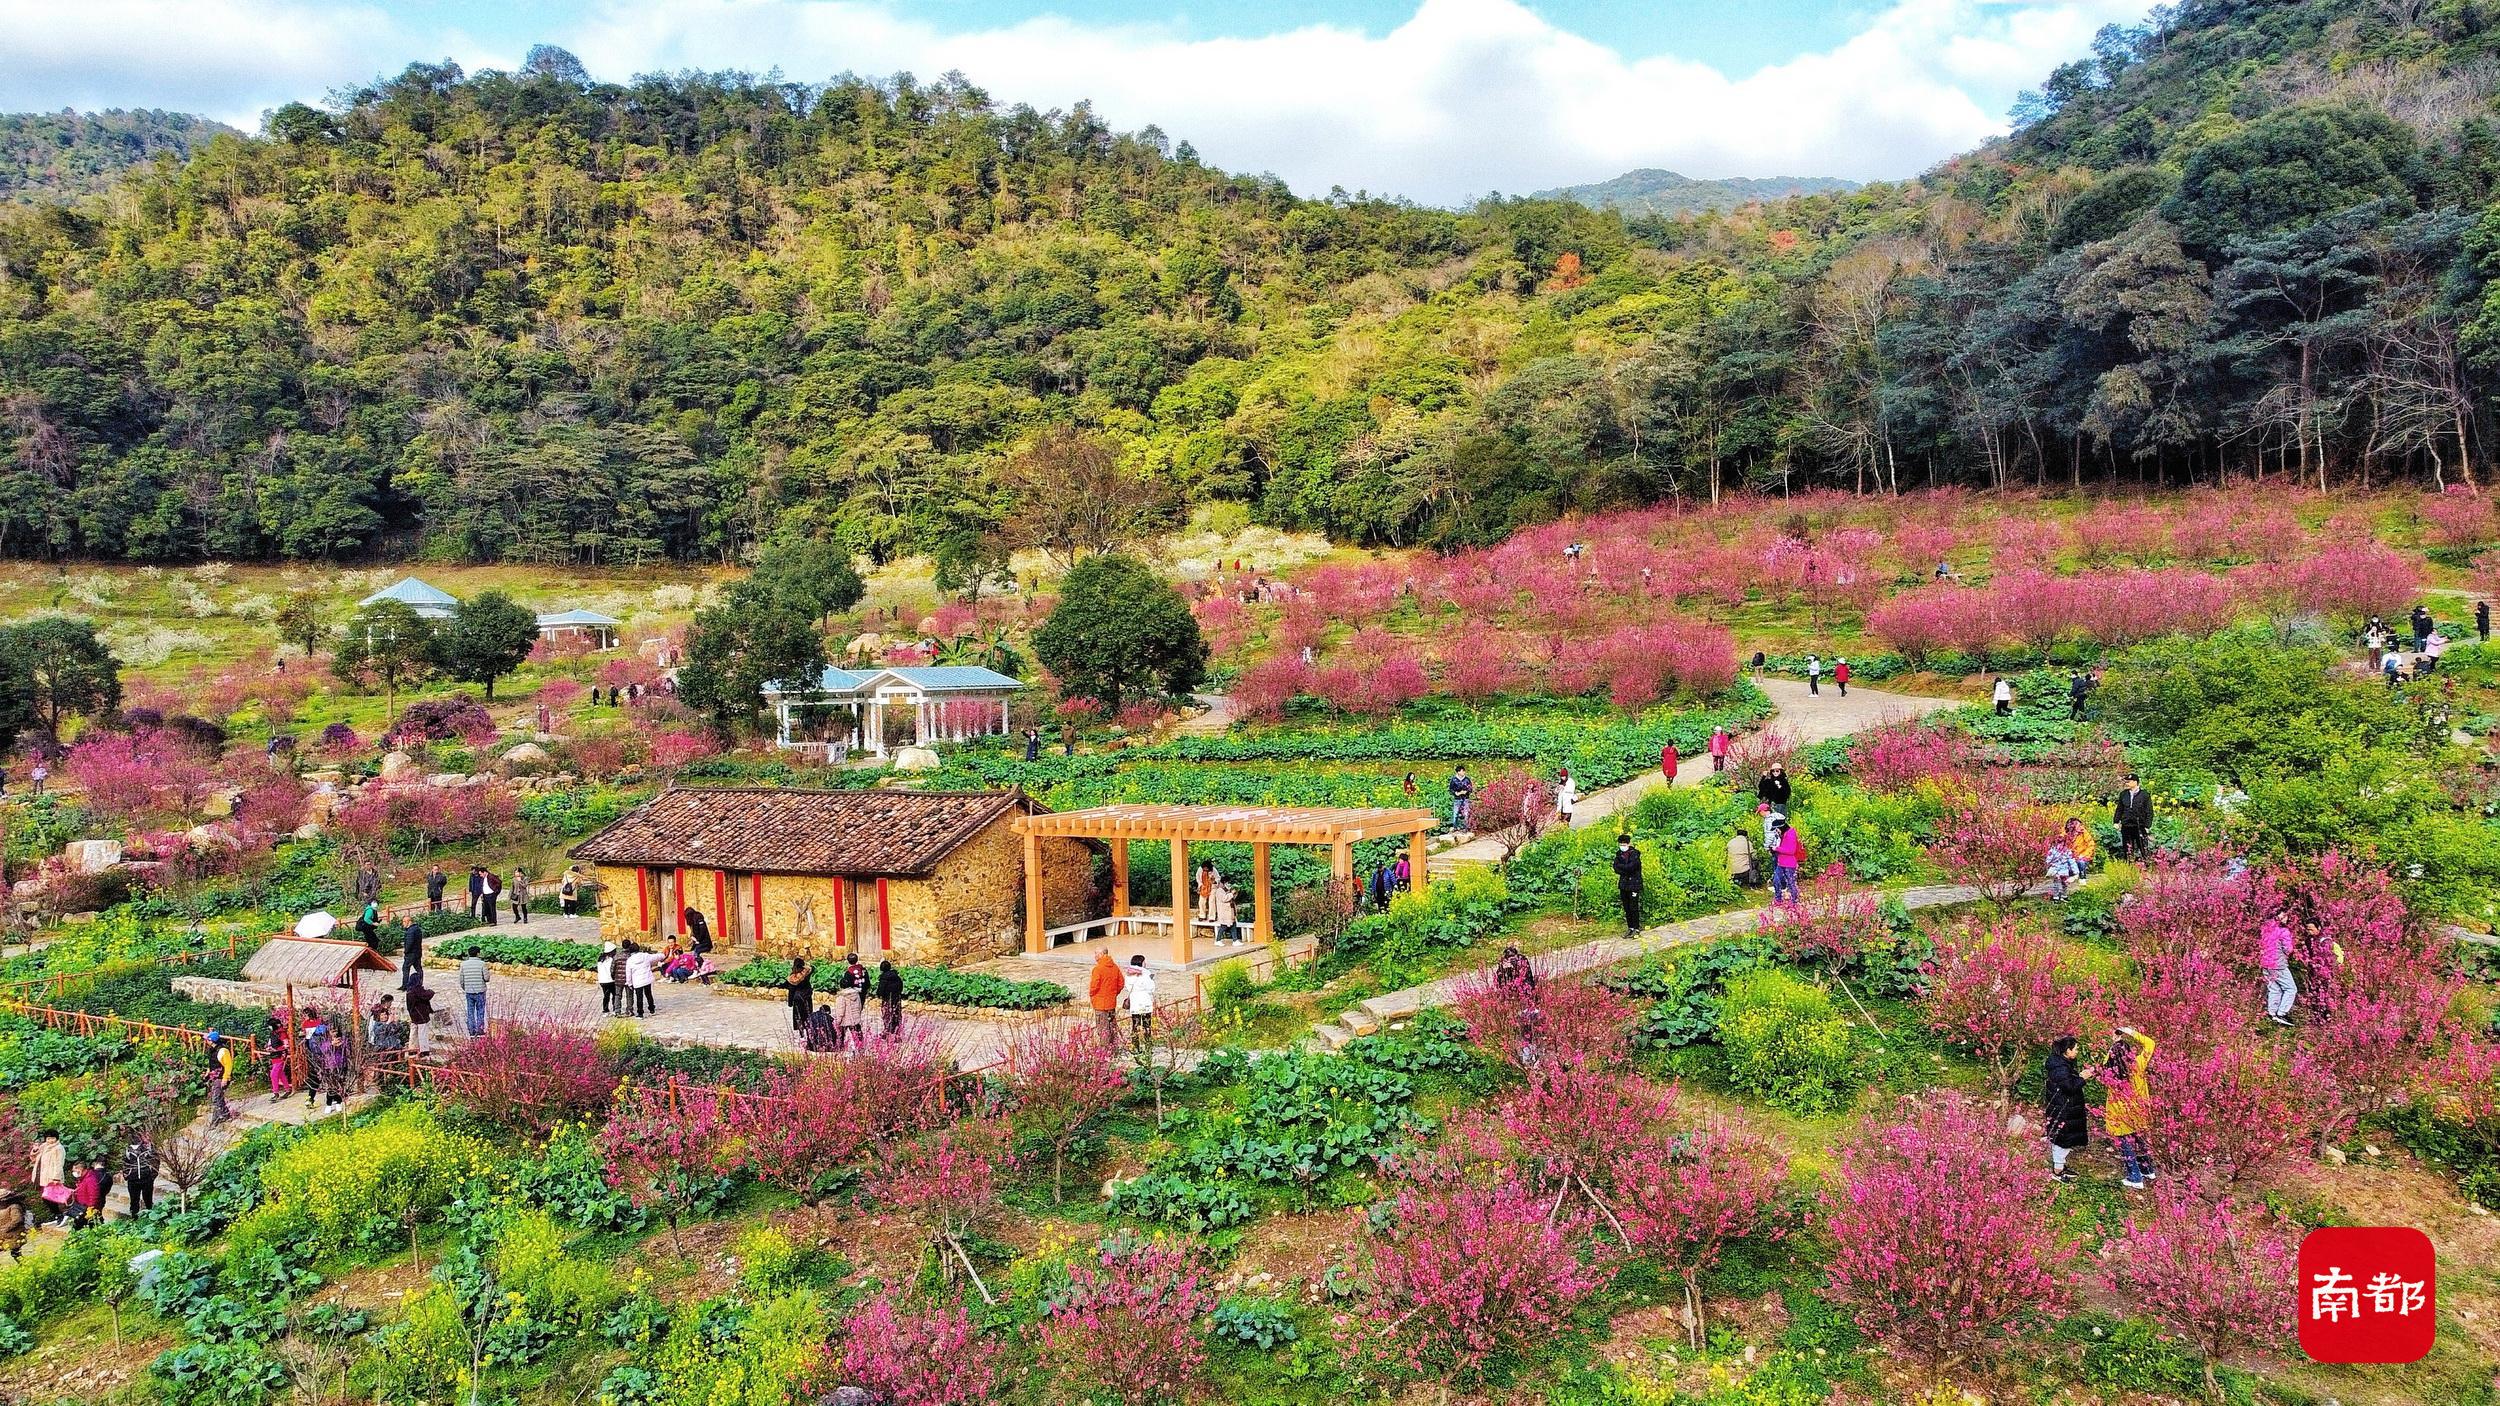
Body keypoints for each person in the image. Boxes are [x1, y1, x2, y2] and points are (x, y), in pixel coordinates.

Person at [2103, 1027, 2159, 1190]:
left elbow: (2105, 1062)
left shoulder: (2110, 1073)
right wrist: (2131, 1032)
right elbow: (2150, 1044)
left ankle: (2135, 1177)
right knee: (2141, 1141)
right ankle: (2148, 1170)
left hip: (2119, 1114)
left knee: (2126, 1144)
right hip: (2139, 1111)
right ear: (2130, 1054)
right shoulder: (2138, 1065)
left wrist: (2114, 1045)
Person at [2042, 1036, 2090, 1183]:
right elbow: (2069, 1087)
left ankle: (2060, 1166)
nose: (2077, 1051)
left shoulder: (2063, 1063)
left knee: (2065, 1139)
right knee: (2061, 1139)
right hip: (2063, 1109)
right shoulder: (2060, 1067)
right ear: (2067, 1050)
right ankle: (2057, 1171)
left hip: (2065, 1107)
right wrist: (2082, 1078)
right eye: (2075, 1049)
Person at [2259, 909, 2299, 1026]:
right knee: (2291, 989)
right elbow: (2288, 949)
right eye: (2284, 916)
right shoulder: (2283, 931)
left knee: (2274, 989)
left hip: (2266, 964)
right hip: (2278, 964)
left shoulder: (2265, 929)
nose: (2286, 918)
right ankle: (2282, 1013)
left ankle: (2272, 1014)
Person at [1088, 949, 1124, 1050]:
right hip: (1111, 1002)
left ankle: (1105, 1052)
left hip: (1100, 1003)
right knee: (1112, 1026)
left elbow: (1094, 986)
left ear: (1101, 954)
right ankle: (1114, 1048)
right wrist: (1113, 993)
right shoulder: (1115, 967)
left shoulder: (1098, 969)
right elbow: (1121, 983)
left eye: (1096, 953)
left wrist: (1092, 995)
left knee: (1103, 1028)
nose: (1094, 955)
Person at [2114, 775, 2153, 862]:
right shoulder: (2123, 794)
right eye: (2127, 781)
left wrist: (2147, 826)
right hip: (2126, 824)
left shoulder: (2145, 795)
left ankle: (2146, 864)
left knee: (2142, 846)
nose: (2127, 783)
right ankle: (2128, 865)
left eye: (2129, 781)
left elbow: (2149, 811)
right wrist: (2116, 821)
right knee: (2127, 847)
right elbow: (2119, 808)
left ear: (2135, 782)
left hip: (2139, 825)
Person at [30, 1133, 65, 1229]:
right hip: (41, 1176)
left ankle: (61, 1215)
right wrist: (35, 1150)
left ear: (57, 1138)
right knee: (46, 1197)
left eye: (52, 1138)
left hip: (51, 1178)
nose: (50, 1140)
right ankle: (56, 1215)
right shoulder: (44, 1146)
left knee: (50, 1197)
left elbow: (59, 1164)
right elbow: (33, 1159)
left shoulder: (58, 1148)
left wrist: (56, 1177)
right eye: (48, 1138)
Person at [1122, 955, 1156, 1051]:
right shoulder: (1145, 973)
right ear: (1141, 962)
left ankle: (1136, 1046)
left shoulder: (1128, 974)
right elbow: (1151, 988)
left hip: (1135, 1001)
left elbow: (1128, 987)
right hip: (1145, 1001)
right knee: (1147, 1024)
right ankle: (1148, 1046)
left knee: (1135, 1025)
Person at [1612, 834, 1644, 935]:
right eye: (1621, 844)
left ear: (1629, 843)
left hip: (1634, 884)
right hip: (1623, 885)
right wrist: (1624, 868)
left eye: (1624, 844)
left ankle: (1636, 928)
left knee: (1633, 907)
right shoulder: (1619, 854)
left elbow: (1632, 867)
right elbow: (1616, 867)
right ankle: (1630, 927)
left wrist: (1623, 868)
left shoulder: (1635, 854)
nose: (1622, 846)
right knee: (1626, 907)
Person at [122, 1130, 158, 1216]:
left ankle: (150, 1216)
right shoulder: (127, 1151)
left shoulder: (146, 1150)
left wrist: (152, 1174)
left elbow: (154, 1161)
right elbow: (124, 1164)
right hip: (133, 1179)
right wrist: (127, 1175)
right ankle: (134, 1216)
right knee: (134, 1200)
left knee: (147, 1199)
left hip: (146, 1178)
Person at [1770, 817, 1804, 904]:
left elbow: (1791, 850)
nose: (1776, 831)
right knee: (1776, 880)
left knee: (1790, 882)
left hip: (1789, 863)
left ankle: (1794, 901)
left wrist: (1777, 848)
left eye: (1776, 829)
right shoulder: (1783, 835)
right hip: (1781, 862)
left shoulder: (1791, 834)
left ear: (1781, 827)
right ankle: (1778, 899)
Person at [204, 1030, 234, 1126]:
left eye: (207, 1039)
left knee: (216, 1098)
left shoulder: (223, 1050)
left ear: (211, 1040)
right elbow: (213, 1063)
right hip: (215, 1077)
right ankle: (225, 1115)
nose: (206, 1041)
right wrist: (208, 1072)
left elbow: (228, 1065)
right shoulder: (212, 1050)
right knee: (218, 1097)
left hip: (221, 1077)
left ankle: (216, 1120)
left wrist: (225, 1078)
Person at [458, 951, 490, 1036]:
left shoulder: (463, 964)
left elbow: (461, 980)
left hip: (469, 992)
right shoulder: (482, 964)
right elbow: (486, 978)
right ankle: (480, 1031)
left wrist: (466, 988)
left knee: (470, 1011)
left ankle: (472, 1031)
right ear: (478, 953)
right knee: (480, 1011)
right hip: (480, 991)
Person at [834, 973, 867, 1051]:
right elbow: (859, 1006)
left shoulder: (841, 996)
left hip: (845, 1020)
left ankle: (839, 1049)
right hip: (855, 1019)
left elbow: (840, 1011)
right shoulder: (856, 994)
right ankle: (860, 1049)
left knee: (840, 1036)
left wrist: (838, 1021)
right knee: (858, 1036)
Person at [625, 943, 658, 1017]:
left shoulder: (630, 960)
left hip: (637, 981)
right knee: (648, 994)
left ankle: (640, 1013)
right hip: (646, 979)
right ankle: (652, 1009)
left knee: (639, 997)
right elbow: (656, 957)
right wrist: (663, 955)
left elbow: (628, 973)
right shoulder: (645, 956)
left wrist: (629, 983)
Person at [785, 955, 815, 1035]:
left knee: (799, 1017)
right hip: (807, 997)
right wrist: (805, 965)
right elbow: (813, 967)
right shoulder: (806, 973)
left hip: (797, 999)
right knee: (807, 1015)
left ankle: (802, 1035)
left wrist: (790, 1003)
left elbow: (791, 991)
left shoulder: (793, 978)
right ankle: (809, 1033)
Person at [406, 979, 435, 1055]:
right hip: (421, 1016)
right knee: (423, 1033)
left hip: (413, 1016)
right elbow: (427, 995)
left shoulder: (409, 991)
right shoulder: (418, 990)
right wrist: (430, 990)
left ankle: (412, 1050)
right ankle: (424, 1051)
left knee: (413, 1033)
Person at [877, 959, 904, 1037]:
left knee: (887, 1016)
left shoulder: (883, 979)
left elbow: (880, 991)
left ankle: (887, 1031)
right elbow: (901, 987)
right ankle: (896, 1033)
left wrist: (879, 995)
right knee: (896, 1015)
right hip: (896, 999)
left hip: (887, 1000)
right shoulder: (897, 977)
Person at [69, 1163, 100, 1228]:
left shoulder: (90, 1180)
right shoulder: (82, 1178)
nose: (73, 1172)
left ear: (80, 1170)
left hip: (87, 1208)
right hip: (81, 1206)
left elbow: (94, 1195)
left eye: (74, 1170)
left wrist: (91, 1207)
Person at [399, 918, 424, 991]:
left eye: (404, 922)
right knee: (418, 968)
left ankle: (405, 985)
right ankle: (419, 983)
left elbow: (409, 943)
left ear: (409, 922)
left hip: (411, 954)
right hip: (418, 952)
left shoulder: (410, 931)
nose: (403, 923)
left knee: (405, 968)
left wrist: (406, 951)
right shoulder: (417, 929)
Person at [1213, 877, 1240, 945]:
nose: (1228, 884)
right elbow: (1224, 899)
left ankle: (1235, 940)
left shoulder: (1227, 889)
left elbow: (1232, 898)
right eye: (1227, 883)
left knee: (1233, 925)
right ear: (1223, 882)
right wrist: (1231, 894)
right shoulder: (1219, 890)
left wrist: (1234, 893)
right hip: (1224, 911)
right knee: (1224, 926)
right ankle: (1218, 940)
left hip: (1230, 911)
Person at [1449, 765, 1474, 830]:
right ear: (1458, 772)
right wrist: (1456, 793)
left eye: (1464, 771)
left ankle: (1466, 828)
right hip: (1457, 799)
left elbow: (1470, 788)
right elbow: (1451, 789)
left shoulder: (1467, 779)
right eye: (1462, 771)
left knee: (1466, 813)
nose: (1464, 772)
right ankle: (1455, 827)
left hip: (1465, 798)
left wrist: (1466, 791)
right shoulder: (1454, 780)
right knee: (1455, 814)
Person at [596, 943, 619, 1015]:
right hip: (610, 980)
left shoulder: (600, 959)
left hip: (602, 980)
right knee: (615, 995)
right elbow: (612, 970)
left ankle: (605, 1009)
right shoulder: (611, 959)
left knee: (606, 995)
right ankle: (615, 1008)